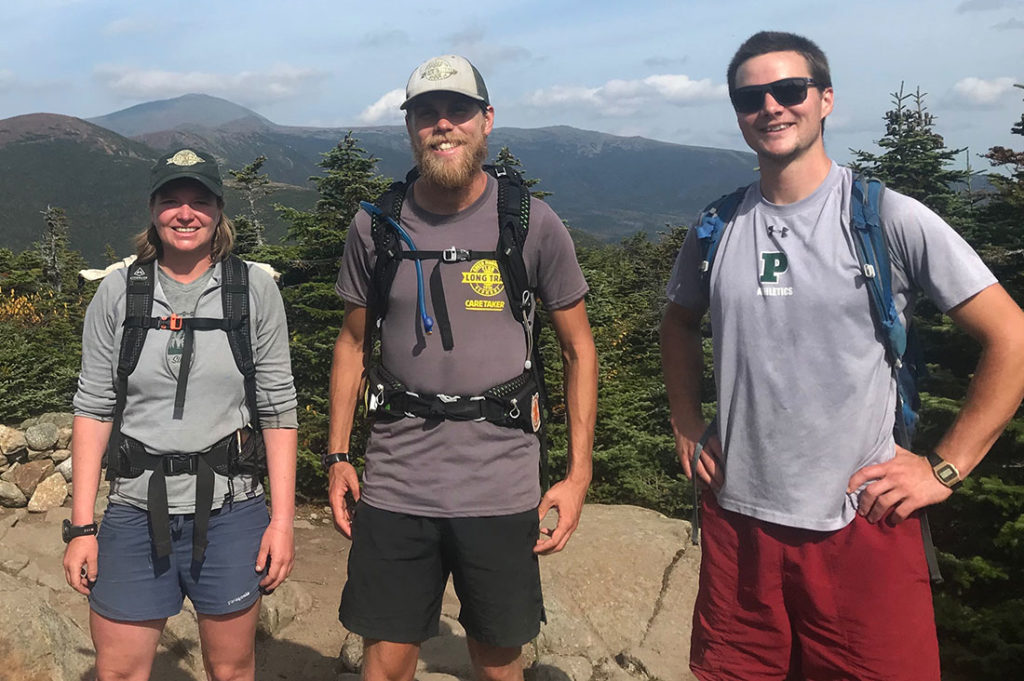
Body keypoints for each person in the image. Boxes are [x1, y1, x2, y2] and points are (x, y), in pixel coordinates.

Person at [660, 31, 1024, 681]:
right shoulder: (716, 226)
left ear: (825, 100)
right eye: (750, 97)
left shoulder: (886, 219)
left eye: (789, 90)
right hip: (737, 520)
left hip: (861, 519)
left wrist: (945, 467)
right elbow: (679, 321)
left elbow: (1012, 335)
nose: (771, 106)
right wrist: (686, 422)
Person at [326, 55, 598, 681]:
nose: (443, 126)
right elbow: (351, 344)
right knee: (385, 661)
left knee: (500, 659)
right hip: (397, 481)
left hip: (500, 482)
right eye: (427, 113)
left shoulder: (529, 222)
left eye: (459, 112)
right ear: (410, 127)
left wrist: (578, 476)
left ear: (487, 121)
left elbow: (579, 348)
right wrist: (338, 456)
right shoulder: (376, 226)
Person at [62, 148, 298, 681]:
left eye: (199, 201)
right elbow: (94, 407)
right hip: (133, 507)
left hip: (233, 510)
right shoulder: (119, 292)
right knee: (119, 670)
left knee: (232, 668)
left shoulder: (252, 289)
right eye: (172, 200)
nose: (185, 213)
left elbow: (278, 409)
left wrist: (281, 522)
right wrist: (80, 526)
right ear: (153, 209)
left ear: (219, 211)